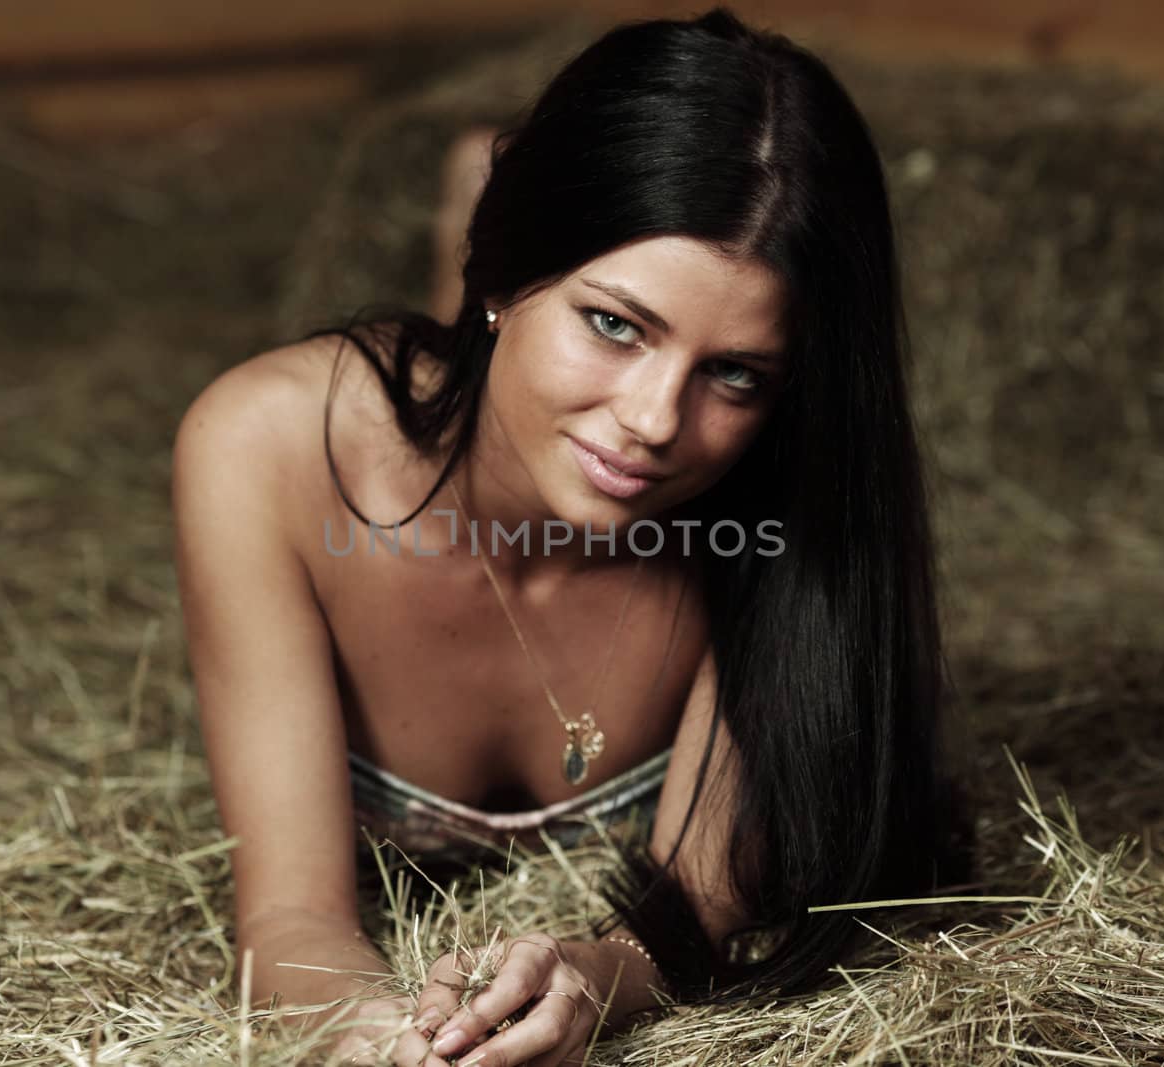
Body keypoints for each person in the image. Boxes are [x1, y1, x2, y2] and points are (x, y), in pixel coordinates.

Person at [172, 7, 968, 1065]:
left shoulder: (794, 520)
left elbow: (692, 911)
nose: (652, 420)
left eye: (734, 372)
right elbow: (287, 916)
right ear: (502, 275)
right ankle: (480, 205)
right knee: (480, 405)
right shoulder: (262, 448)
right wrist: (395, 1044)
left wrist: (595, 975)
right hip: (435, 371)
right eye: (615, 322)